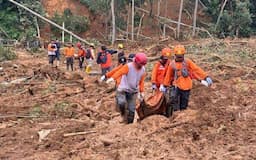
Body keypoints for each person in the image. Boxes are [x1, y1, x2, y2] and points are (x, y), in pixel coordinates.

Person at [161, 45, 213, 111]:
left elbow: (196, 69)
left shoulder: (188, 62)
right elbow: (168, 76)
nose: (180, 58)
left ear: (183, 55)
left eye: (181, 56)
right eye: (178, 56)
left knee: (184, 104)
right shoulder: (172, 64)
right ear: (175, 55)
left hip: (186, 86)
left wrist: (205, 77)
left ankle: (183, 113)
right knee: (174, 101)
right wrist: (165, 85)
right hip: (176, 86)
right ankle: (175, 114)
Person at [106, 53, 147, 124]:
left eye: (142, 64)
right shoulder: (128, 66)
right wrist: (112, 78)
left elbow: (141, 81)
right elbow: (119, 72)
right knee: (122, 103)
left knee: (132, 110)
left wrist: (141, 91)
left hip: (133, 91)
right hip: (123, 89)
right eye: (140, 64)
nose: (141, 66)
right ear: (136, 61)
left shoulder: (143, 69)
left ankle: (129, 124)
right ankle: (123, 115)